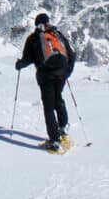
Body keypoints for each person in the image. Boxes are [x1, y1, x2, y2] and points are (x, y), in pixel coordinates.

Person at [15, 12, 75, 151]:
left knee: (48, 106)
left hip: (45, 75)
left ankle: (54, 140)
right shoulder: (57, 34)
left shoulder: (33, 38)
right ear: (48, 22)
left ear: (36, 24)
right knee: (58, 98)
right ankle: (62, 127)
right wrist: (67, 71)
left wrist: (19, 64)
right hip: (61, 73)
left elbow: (27, 59)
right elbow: (71, 54)